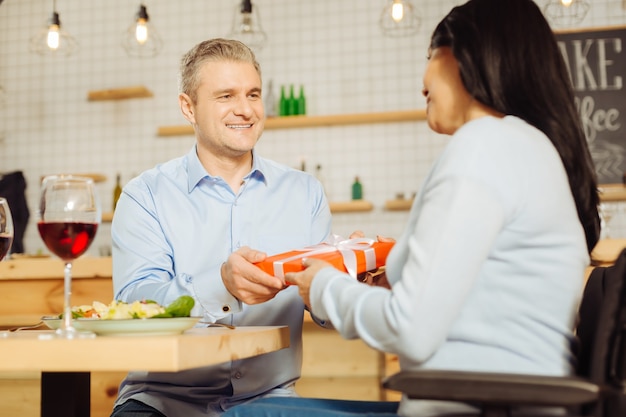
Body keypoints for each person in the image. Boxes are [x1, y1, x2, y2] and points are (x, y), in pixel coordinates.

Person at [222, 0, 602, 416]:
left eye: (429, 56)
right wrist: (392, 272)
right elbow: (484, 298)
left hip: (468, 405)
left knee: (246, 412)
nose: (422, 82)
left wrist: (326, 286)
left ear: (464, 57)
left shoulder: (483, 146)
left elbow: (411, 329)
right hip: (503, 398)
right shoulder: (527, 146)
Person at [109, 38, 332, 417]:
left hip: (271, 401)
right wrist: (220, 285)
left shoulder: (305, 192)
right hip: (163, 401)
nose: (245, 110)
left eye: (253, 94)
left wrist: (348, 280)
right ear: (188, 108)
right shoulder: (144, 195)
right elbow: (135, 305)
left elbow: (325, 310)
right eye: (226, 96)